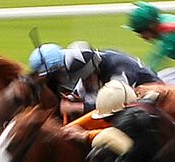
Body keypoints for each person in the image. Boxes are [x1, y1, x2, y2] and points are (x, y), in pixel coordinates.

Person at [29, 40, 160, 119]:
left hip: (155, 104)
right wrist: (73, 99)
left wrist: (78, 107)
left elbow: (117, 104)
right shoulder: (85, 66)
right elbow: (81, 93)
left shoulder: (119, 70)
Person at [65, 79, 175, 144]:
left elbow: (120, 135)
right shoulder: (134, 95)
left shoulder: (146, 111)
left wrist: (85, 135)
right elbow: (101, 115)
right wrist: (68, 128)